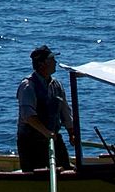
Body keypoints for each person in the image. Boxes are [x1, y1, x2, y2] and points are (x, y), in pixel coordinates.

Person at [16, 45, 73, 173]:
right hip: (32, 142)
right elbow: (28, 116)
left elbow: (65, 111)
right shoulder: (28, 86)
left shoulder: (56, 85)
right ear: (42, 64)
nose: (55, 62)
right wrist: (46, 132)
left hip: (53, 139)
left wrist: (71, 132)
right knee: (39, 172)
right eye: (52, 60)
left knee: (66, 168)